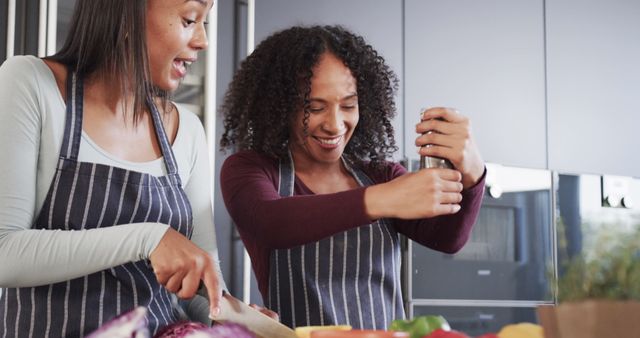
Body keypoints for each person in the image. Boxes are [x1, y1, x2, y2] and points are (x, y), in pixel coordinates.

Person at [219, 25, 486, 330]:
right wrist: (384, 198)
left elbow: (448, 239)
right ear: (279, 107)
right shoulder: (251, 170)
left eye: (348, 105)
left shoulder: (380, 175)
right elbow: (271, 223)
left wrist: (473, 171)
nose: (335, 125)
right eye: (314, 108)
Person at [0, 0, 225, 336]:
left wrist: (234, 317)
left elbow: (202, 284)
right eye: (190, 19)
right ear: (128, 14)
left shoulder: (187, 129)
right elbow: (5, 253)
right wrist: (148, 238)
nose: (203, 41)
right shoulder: (31, 84)